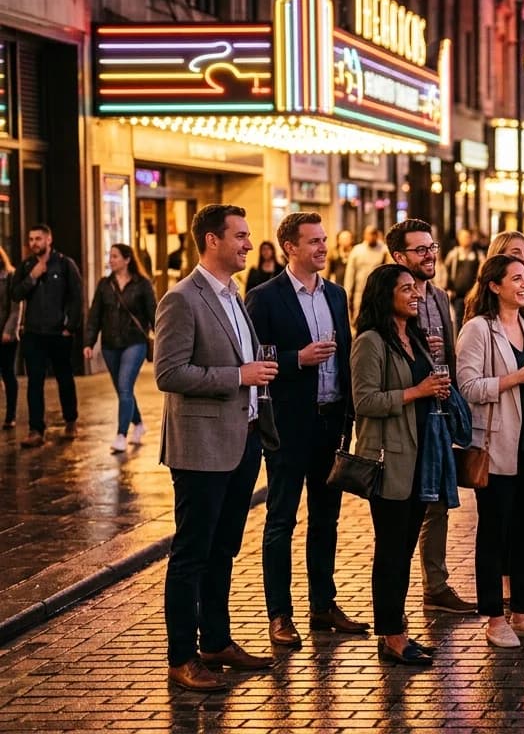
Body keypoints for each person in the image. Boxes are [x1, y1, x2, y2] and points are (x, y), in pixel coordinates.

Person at [155, 204, 280, 691]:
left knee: (223, 549)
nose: (250, 244)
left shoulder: (235, 295)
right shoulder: (182, 298)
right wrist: (239, 376)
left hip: (244, 440)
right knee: (192, 553)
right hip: (202, 445)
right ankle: (182, 656)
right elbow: (169, 372)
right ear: (211, 240)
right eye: (241, 236)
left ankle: (217, 641)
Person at [245, 212, 366, 651]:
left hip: (330, 420)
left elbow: (348, 354)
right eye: (313, 241)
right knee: (281, 519)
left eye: (324, 240)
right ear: (289, 247)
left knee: (326, 518)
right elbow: (258, 360)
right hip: (288, 424)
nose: (322, 248)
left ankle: (323, 604)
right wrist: (300, 359)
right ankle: (280, 614)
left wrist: (350, 415)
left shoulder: (335, 294)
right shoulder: (264, 298)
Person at [457, 255, 524, 647]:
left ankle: (521, 612)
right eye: (515, 279)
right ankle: (494, 618)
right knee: (495, 531)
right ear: (494, 286)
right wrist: (515, 378)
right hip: (497, 444)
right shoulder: (478, 329)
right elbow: (467, 387)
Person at [352, 264, 452, 667]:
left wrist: (435, 385)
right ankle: (391, 637)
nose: (415, 294)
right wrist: (417, 390)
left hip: (421, 460)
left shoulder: (414, 338)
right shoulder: (370, 342)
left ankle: (400, 630)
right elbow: (365, 401)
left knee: (405, 550)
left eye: (416, 288)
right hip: (390, 460)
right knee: (391, 553)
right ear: (384, 294)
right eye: (406, 288)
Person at [382, 218, 476, 614]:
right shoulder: (386, 298)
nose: (430, 255)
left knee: (437, 501)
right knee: (405, 511)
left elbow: (450, 355)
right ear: (399, 256)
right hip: (406, 411)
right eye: (420, 250)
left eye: (432, 246)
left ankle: (435, 585)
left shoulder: (438, 296)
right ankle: (393, 603)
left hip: (437, 408)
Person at [11, 225, 84, 447]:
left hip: (58, 334)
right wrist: (32, 277)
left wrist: (69, 327)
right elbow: (15, 294)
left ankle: (71, 421)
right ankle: (36, 430)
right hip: (34, 334)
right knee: (34, 382)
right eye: (31, 239)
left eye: (38, 239)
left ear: (49, 239)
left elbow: (76, 297)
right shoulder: (26, 266)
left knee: (64, 378)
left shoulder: (64, 264)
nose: (34, 243)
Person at [83, 244, 156, 453]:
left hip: (135, 342)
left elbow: (154, 312)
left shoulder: (142, 284)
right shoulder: (105, 285)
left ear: (127, 259)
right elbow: (94, 315)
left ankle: (121, 435)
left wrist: (164, 338)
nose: (111, 260)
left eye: (115, 256)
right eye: (110, 256)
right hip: (109, 344)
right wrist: (89, 343)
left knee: (124, 386)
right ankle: (139, 424)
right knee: (123, 390)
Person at [344, 225, 389, 321]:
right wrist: (347, 293)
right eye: (369, 234)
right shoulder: (357, 250)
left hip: (378, 291)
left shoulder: (384, 250)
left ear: (377, 235)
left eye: (373, 234)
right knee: (359, 317)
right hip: (360, 292)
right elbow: (350, 273)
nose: (371, 237)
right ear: (364, 235)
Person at [444, 228, 483, 320]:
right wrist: (449, 288)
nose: (465, 239)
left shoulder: (478, 255)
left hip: (473, 294)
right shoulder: (453, 254)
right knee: (458, 318)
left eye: (468, 237)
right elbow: (447, 272)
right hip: (457, 295)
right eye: (463, 237)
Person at [0, 247, 17, 430]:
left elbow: (16, 307)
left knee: (8, 373)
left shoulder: (10, 276)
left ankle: (10, 415)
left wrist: (9, 330)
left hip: (5, 334)